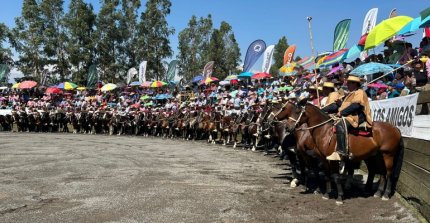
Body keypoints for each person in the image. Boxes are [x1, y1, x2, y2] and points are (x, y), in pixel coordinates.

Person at [335, 75, 373, 159]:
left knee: (340, 125)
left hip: (357, 116)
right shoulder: (350, 94)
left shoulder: (359, 92)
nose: (347, 85)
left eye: (349, 83)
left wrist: (342, 112)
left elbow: (356, 105)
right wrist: (340, 104)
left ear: (355, 84)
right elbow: (348, 106)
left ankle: (342, 152)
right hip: (350, 115)